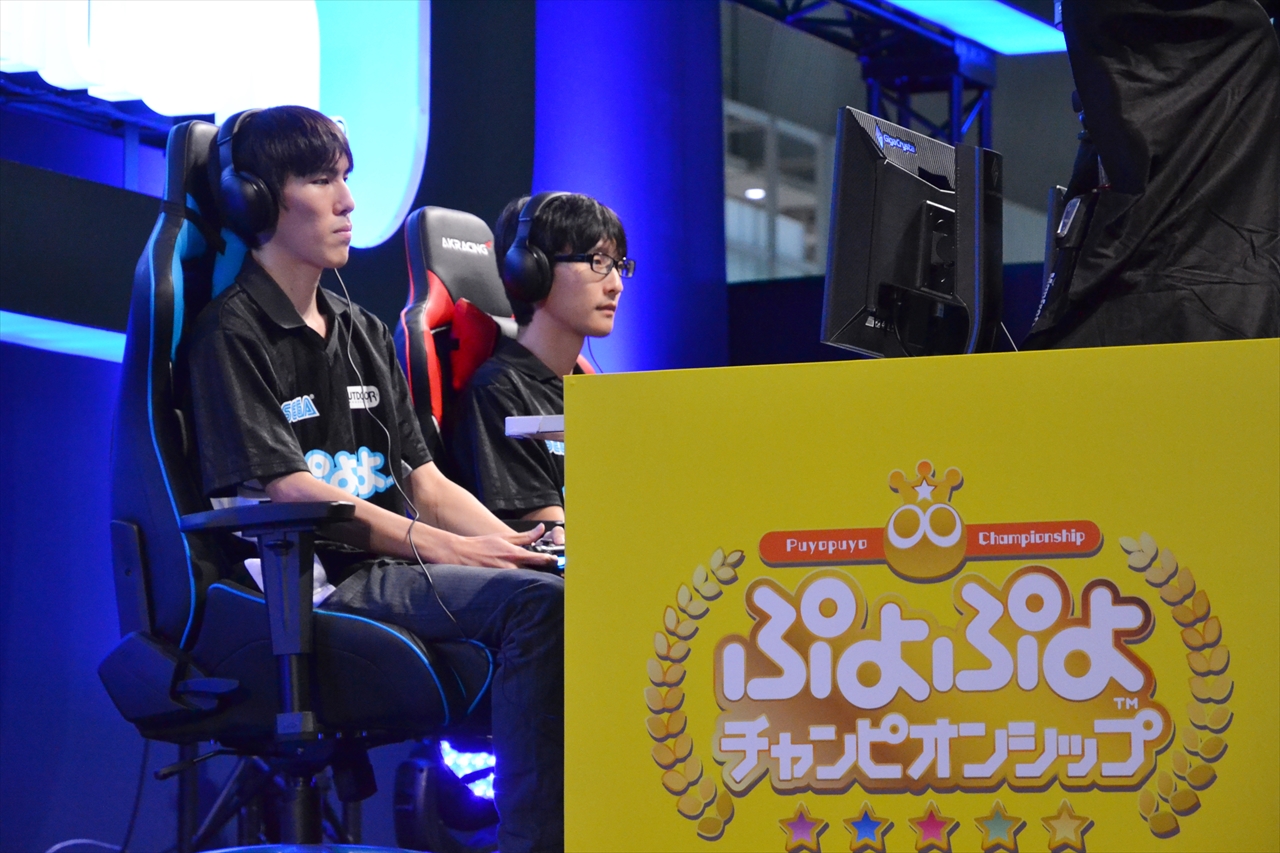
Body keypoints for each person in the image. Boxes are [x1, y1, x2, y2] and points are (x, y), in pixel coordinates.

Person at [186, 106, 563, 853]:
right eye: (320, 181)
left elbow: (423, 480)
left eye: (346, 178)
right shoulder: (230, 332)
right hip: (312, 585)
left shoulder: (358, 327)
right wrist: (448, 550)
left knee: (556, 583)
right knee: (538, 608)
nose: (347, 201)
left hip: (389, 569)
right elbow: (290, 491)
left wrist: (524, 546)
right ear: (256, 200)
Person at [451, 193, 631, 522]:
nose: (616, 285)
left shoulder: (591, 391)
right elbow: (549, 536)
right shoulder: (499, 393)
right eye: (598, 261)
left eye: (618, 265)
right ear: (531, 271)